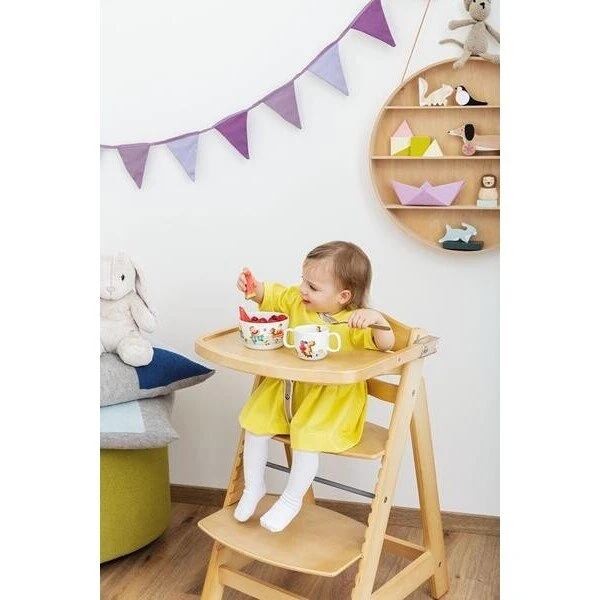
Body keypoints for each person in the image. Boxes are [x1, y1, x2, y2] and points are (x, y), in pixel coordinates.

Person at [235, 241, 395, 532]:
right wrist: (253, 288)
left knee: (307, 435)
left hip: (332, 401)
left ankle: (291, 499)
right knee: (255, 420)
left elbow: (386, 344)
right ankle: (253, 486)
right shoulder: (297, 302)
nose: (302, 290)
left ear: (343, 296)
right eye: (303, 281)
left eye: (313, 287)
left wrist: (377, 319)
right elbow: (271, 294)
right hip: (291, 389)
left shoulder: (354, 323)